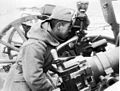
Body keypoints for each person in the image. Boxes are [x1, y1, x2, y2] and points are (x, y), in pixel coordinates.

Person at [2, 6, 75, 91]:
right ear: (59, 26)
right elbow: (34, 79)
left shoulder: (48, 38)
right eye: (69, 27)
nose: (70, 30)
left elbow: (42, 61)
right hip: (20, 86)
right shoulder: (35, 46)